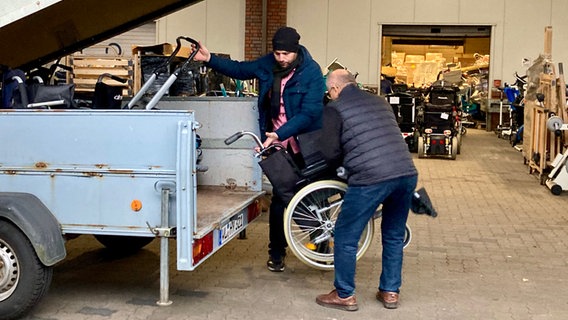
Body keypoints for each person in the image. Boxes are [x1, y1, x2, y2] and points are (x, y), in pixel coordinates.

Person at [191, 26, 325, 272]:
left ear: (296, 51)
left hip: (305, 144)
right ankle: (277, 253)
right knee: (280, 199)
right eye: (277, 53)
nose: (281, 58)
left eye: (286, 54)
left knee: (313, 196)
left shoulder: (312, 73)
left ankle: (322, 243)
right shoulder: (268, 64)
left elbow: (311, 112)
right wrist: (210, 59)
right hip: (276, 144)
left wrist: (280, 133)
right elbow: (241, 70)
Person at [315, 69, 418, 311]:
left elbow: (330, 152)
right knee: (393, 235)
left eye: (329, 92)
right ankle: (390, 291)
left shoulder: (335, 108)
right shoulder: (380, 101)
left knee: (345, 235)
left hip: (371, 177)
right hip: (405, 172)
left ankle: (344, 294)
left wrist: (339, 170)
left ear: (335, 89)